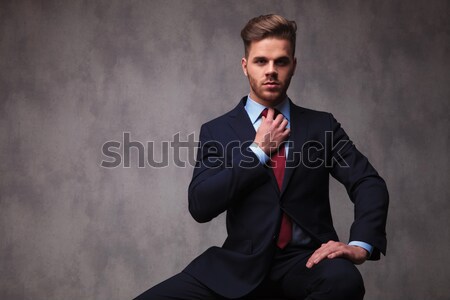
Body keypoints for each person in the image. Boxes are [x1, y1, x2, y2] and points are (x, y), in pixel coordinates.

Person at [134, 14, 389, 300]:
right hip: (238, 267)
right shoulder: (218, 130)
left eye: (280, 61)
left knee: (344, 281)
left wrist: (360, 244)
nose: (271, 71)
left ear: (293, 65)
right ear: (245, 66)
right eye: (260, 61)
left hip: (305, 262)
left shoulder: (322, 126)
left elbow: (368, 182)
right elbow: (200, 204)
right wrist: (256, 152)